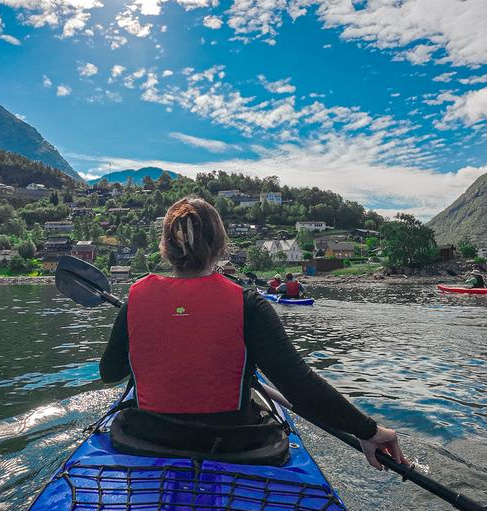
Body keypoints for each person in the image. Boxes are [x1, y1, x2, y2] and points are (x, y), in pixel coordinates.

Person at [100, 196, 405, 470]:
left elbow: (109, 373)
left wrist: (147, 347)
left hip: (146, 440)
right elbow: (299, 386)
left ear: (166, 249)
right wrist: (369, 431)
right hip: (235, 447)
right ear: (221, 247)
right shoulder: (249, 304)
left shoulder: (135, 302)